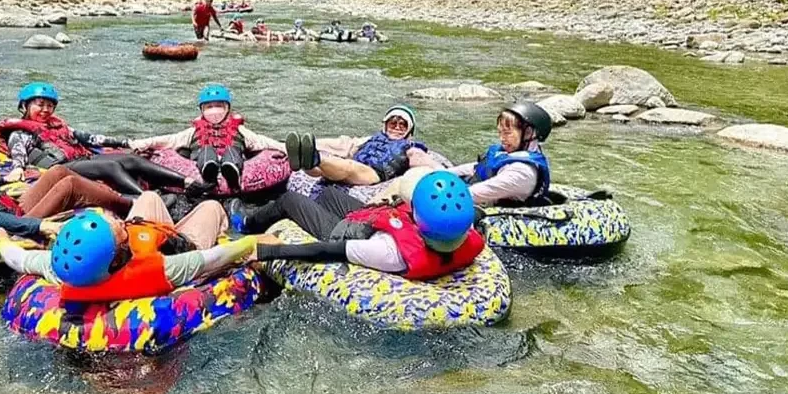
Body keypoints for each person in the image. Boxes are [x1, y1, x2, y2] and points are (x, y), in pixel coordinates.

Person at [0, 191, 273, 298]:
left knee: (148, 198)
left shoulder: (62, 268)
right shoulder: (161, 270)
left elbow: (19, 259)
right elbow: (216, 257)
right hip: (184, 245)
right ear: (118, 256)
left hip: (151, 236)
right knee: (211, 206)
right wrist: (251, 242)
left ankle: (166, 215)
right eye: (119, 229)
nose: (120, 221)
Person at [232, 170, 483, 279]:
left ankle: (245, 222)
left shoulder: (389, 252)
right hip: (375, 221)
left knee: (289, 200)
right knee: (328, 193)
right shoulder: (464, 230)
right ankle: (310, 205)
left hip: (342, 233)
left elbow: (325, 251)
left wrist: (266, 253)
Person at [0, 82, 194, 196]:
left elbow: (91, 138)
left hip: (81, 160)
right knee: (110, 166)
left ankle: (187, 182)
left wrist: (124, 142)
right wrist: (17, 168)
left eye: (49, 105)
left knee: (130, 160)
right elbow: (18, 151)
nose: (45, 110)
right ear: (25, 106)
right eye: (39, 104)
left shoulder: (57, 126)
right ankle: (148, 199)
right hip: (61, 168)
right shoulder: (21, 133)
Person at [129, 84, 284, 194]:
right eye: (209, 107)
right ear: (202, 110)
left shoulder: (240, 130)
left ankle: (232, 171)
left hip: (232, 161)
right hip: (202, 165)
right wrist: (145, 143)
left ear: (227, 108)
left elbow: (263, 141)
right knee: (206, 151)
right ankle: (208, 170)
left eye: (218, 106)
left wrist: (284, 148)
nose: (214, 111)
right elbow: (170, 140)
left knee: (232, 152)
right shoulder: (192, 132)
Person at [285, 105, 440, 186]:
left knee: (349, 167)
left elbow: (422, 160)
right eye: (393, 123)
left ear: (409, 131)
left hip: (372, 174)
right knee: (319, 171)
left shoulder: (410, 147)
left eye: (403, 125)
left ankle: (313, 158)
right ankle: (303, 160)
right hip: (353, 167)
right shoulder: (370, 139)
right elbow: (344, 147)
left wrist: (451, 173)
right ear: (385, 126)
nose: (397, 127)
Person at [450, 102, 553, 206]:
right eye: (500, 132)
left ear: (529, 133)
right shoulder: (507, 153)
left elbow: (473, 194)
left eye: (507, 133)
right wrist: (443, 173)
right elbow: (477, 168)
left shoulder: (522, 172)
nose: (502, 139)